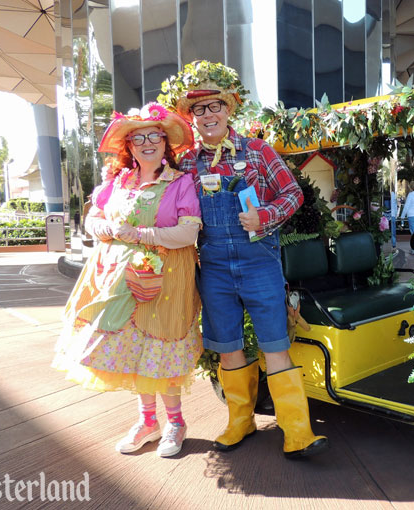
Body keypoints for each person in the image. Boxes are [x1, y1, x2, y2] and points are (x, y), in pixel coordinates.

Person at [170, 61, 328, 458]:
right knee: (227, 346)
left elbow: (293, 193)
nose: (207, 116)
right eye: (199, 110)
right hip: (215, 267)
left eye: (214, 107)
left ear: (229, 109)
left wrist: (266, 216)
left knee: (275, 344)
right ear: (192, 119)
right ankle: (240, 421)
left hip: (259, 261)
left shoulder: (257, 150)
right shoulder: (187, 164)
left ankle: (298, 431)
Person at [52, 103, 202, 457]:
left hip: (166, 279)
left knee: (161, 347)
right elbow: (93, 220)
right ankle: (148, 422)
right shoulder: (117, 181)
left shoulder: (180, 183)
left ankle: (176, 424)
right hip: (117, 277)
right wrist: (105, 228)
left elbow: (187, 233)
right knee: (136, 349)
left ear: (166, 144)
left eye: (154, 136)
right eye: (139, 138)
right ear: (130, 147)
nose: (147, 143)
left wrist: (137, 233)